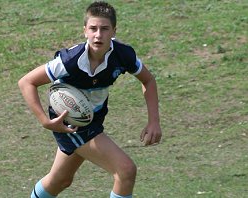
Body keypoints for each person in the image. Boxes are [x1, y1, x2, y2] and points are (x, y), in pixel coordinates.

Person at [18, 1, 162, 198]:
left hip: (93, 117)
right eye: (93, 28)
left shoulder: (123, 55)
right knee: (126, 171)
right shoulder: (70, 61)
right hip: (70, 123)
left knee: (60, 180)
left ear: (114, 31)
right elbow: (26, 82)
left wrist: (154, 121)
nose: (98, 34)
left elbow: (148, 80)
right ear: (84, 30)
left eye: (104, 29)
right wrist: (45, 121)